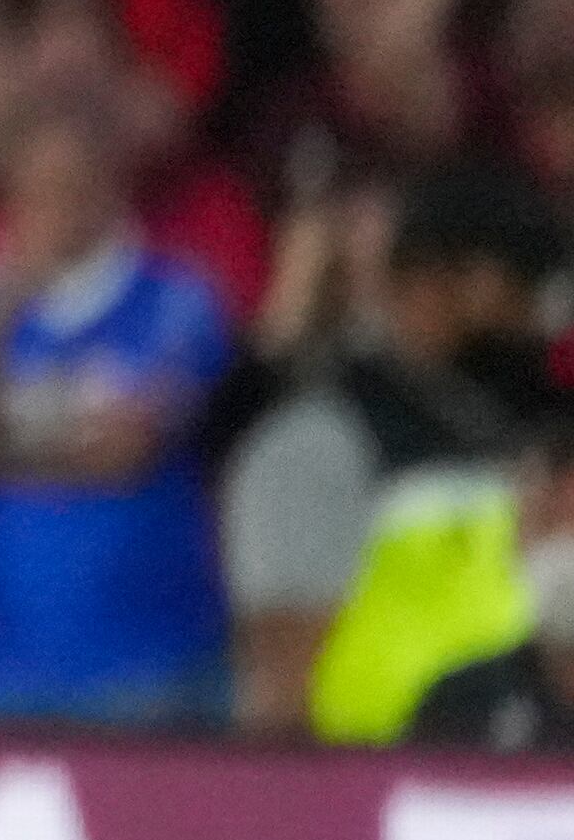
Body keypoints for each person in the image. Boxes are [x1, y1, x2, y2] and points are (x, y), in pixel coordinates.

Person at [0, 96, 241, 727]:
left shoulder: (178, 298)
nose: (53, 208)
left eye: (71, 187)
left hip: (153, 667)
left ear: (110, 185)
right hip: (2, 668)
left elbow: (123, 453)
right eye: (35, 190)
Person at [215, 163, 563, 741]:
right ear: (429, 284)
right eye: (514, 289)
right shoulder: (320, 441)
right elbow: (285, 681)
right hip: (386, 778)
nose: (534, 322)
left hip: (523, 767)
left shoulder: (517, 432)